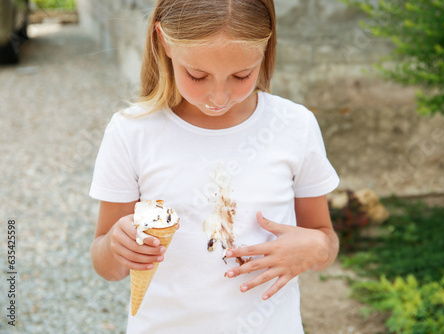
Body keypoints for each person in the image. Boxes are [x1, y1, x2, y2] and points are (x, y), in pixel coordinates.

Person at [89, 0, 340, 333]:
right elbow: (106, 264)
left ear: (265, 49)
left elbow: (325, 238)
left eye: (241, 75)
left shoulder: (294, 126)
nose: (218, 98)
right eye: (197, 75)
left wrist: (318, 248)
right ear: (164, 41)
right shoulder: (131, 132)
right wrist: (115, 248)